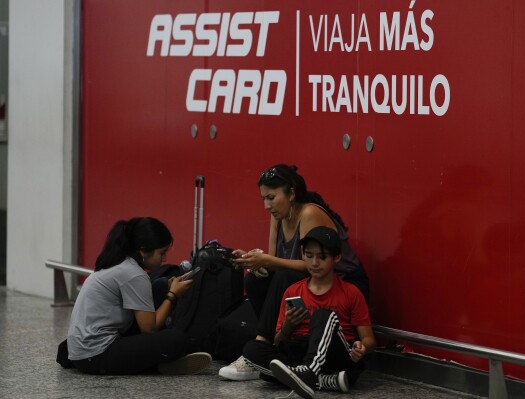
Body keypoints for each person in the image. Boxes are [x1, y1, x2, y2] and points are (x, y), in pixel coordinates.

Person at [218, 164, 369, 381]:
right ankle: (283, 347)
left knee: (283, 276)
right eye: (263, 199)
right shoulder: (278, 217)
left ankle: (263, 344)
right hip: (306, 283)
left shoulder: (308, 212)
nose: (266, 205)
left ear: (291, 193)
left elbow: (312, 264)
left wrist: (269, 261)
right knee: (254, 281)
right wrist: (254, 262)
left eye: (271, 197)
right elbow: (275, 261)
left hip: (339, 282)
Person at [65, 217, 212, 375]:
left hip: (80, 351)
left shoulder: (118, 262)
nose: (165, 259)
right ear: (142, 251)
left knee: (160, 285)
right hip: (97, 354)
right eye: (162, 253)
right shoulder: (134, 274)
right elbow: (149, 328)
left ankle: (153, 361)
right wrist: (173, 295)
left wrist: (166, 289)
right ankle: (158, 364)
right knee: (176, 340)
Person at [242, 226, 375, 398]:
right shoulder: (292, 291)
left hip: (335, 356)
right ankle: (322, 380)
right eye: (309, 256)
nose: (314, 263)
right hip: (300, 352)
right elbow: (278, 340)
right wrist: (287, 327)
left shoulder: (351, 292)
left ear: (337, 257)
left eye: (322, 257)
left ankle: (307, 374)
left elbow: (369, 340)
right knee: (252, 349)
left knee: (321, 314)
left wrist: (362, 348)